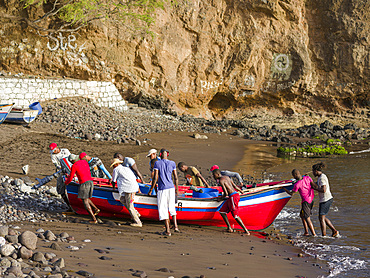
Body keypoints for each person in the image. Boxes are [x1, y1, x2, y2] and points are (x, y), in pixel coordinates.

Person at [148, 148, 179, 236]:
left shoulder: (157, 163)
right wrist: (176, 190)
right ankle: (176, 226)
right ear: (167, 154)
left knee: (163, 208)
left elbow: (155, 178)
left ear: (160, 155)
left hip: (162, 189)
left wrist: (151, 190)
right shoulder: (172, 163)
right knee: (172, 207)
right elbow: (176, 178)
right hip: (171, 188)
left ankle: (168, 231)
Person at [65, 153, 100, 224]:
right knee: (86, 198)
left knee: (85, 201)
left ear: (72, 161)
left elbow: (71, 177)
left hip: (84, 183)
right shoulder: (84, 162)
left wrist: (66, 183)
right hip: (90, 182)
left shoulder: (74, 165)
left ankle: (94, 219)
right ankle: (96, 209)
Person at [212, 169, 250, 234]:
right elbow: (234, 186)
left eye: (214, 175)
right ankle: (229, 228)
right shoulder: (227, 177)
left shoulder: (221, 180)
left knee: (235, 216)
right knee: (222, 211)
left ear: (218, 174)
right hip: (233, 195)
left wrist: (220, 199)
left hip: (233, 197)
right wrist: (241, 191)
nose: (213, 177)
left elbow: (226, 193)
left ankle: (246, 231)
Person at [283, 169, 317, 236]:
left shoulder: (297, 184)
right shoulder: (307, 177)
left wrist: (283, 188)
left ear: (295, 175)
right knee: (302, 215)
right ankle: (306, 232)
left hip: (306, 202)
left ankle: (314, 234)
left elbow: (291, 194)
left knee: (307, 218)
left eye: (293, 176)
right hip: (312, 199)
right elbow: (312, 184)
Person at [111, 158, 142, 227]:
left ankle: (138, 222)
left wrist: (113, 187)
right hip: (132, 187)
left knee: (130, 206)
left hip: (129, 189)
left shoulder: (116, 169)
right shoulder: (126, 168)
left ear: (116, 164)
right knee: (122, 200)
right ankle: (136, 213)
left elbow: (113, 180)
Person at [311, 162, 339, 237]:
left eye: (313, 171)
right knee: (322, 217)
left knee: (321, 218)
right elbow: (317, 184)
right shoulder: (320, 177)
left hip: (326, 199)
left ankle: (324, 235)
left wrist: (314, 188)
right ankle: (334, 231)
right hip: (325, 199)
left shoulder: (322, 177)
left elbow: (323, 190)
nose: (313, 173)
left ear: (316, 171)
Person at [49, 143, 73, 211]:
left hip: (71, 170)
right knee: (60, 189)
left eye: (54, 150)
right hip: (62, 172)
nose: (53, 152)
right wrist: (61, 168)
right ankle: (69, 205)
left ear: (57, 148)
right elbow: (56, 165)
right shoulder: (53, 156)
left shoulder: (65, 151)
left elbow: (71, 159)